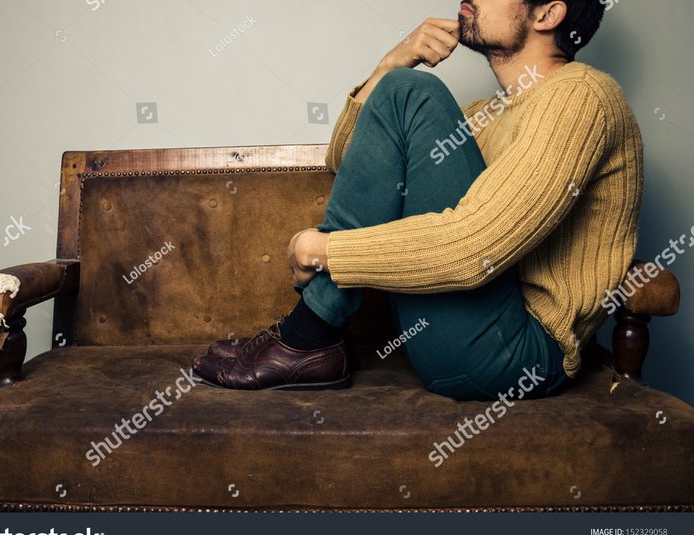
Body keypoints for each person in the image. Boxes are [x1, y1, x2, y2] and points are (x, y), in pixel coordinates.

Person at [192, 0, 642, 400]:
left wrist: (324, 251)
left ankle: (309, 335)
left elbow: (476, 248)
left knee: (411, 92)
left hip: (518, 354)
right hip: (456, 330)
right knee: (403, 88)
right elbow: (347, 158)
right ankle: (311, 338)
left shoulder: (583, 96)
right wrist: (392, 64)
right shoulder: (488, 115)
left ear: (547, 14)